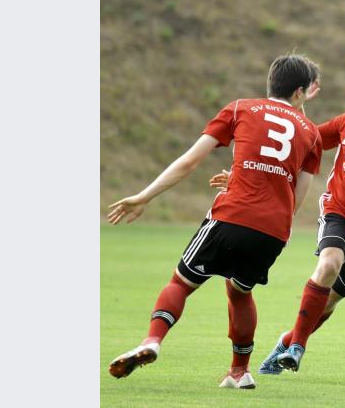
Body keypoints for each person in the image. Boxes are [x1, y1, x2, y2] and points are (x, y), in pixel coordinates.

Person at [105, 54, 323, 389]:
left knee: (181, 282)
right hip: (273, 230)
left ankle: (152, 341)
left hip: (232, 215)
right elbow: (297, 194)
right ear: (300, 93)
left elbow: (190, 161)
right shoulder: (311, 133)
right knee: (240, 291)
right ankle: (240, 371)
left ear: (270, 83)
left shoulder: (240, 108)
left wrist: (144, 196)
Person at [210, 51, 345, 374]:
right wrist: (240, 178)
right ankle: (297, 349)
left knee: (327, 303)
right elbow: (298, 141)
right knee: (329, 262)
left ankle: (286, 343)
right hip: (339, 211)